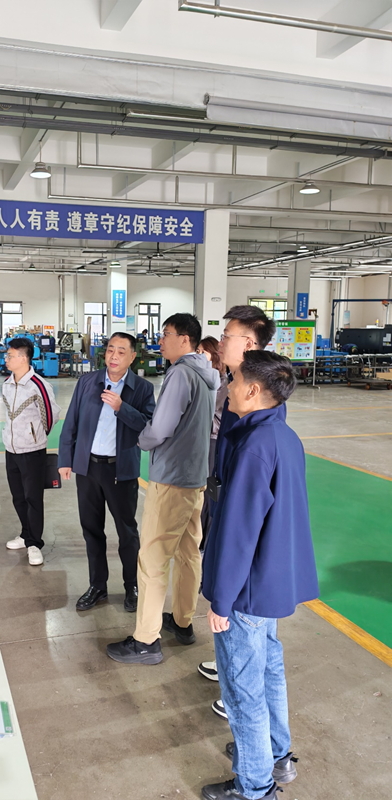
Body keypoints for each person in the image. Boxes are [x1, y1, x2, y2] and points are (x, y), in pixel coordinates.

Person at [201, 351, 319, 800]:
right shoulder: (283, 436)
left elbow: (238, 531)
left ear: (253, 390)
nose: (227, 387)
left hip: (245, 590)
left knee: (242, 690)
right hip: (271, 582)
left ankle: (254, 786)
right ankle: (274, 754)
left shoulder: (253, 447)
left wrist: (221, 600)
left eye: (232, 380)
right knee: (268, 670)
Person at [106, 313, 219, 664]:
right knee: (188, 553)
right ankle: (183, 622)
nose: (160, 340)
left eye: (166, 334)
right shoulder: (208, 374)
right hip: (195, 478)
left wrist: (143, 439)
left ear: (184, 339)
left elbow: (160, 428)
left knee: (153, 560)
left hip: (171, 479)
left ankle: (145, 641)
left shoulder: (181, 374)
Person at [197, 306, 277, 719]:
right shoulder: (234, 383)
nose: (221, 341)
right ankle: (229, 665)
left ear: (248, 343)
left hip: (234, 503)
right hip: (223, 495)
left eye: (227, 335)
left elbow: (245, 505)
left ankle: (238, 694)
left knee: (240, 619)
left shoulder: (252, 394)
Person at [58, 332, 155, 612]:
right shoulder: (87, 382)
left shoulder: (142, 389)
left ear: (132, 357)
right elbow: (71, 421)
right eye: (111, 349)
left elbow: (149, 427)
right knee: (92, 530)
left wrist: (121, 408)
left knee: (127, 532)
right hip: (88, 468)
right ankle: (97, 585)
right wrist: (65, 458)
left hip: (120, 471)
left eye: (121, 352)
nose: (114, 356)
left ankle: (131, 586)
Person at [3, 338, 60, 566]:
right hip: (11, 450)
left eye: (10, 355)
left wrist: (35, 436)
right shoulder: (7, 383)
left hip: (32, 451)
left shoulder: (38, 385)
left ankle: (35, 543)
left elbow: (51, 415)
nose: (6, 359)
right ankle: (25, 534)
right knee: (18, 497)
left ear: (23, 358)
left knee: (33, 498)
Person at [196, 336, 228, 550]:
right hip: (201, 440)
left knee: (208, 492)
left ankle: (204, 540)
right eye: (197, 351)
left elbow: (209, 412)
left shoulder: (221, 382)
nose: (198, 355)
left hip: (212, 441)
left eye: (203, 352)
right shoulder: (204, 378)